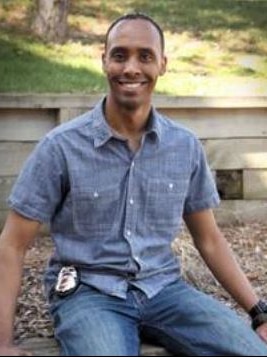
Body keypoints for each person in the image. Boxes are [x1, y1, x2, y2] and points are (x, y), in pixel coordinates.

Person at [0, 13, 267, 357]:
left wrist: (258, 312)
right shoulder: (60, 147)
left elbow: (210, 239)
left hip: (165, 290)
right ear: (104, 61)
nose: (131, 68)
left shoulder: (183, 146)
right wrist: (2, 342)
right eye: (120, 55)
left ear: (163, 65)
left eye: (145, 56)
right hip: (89, 294)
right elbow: (12, 245)